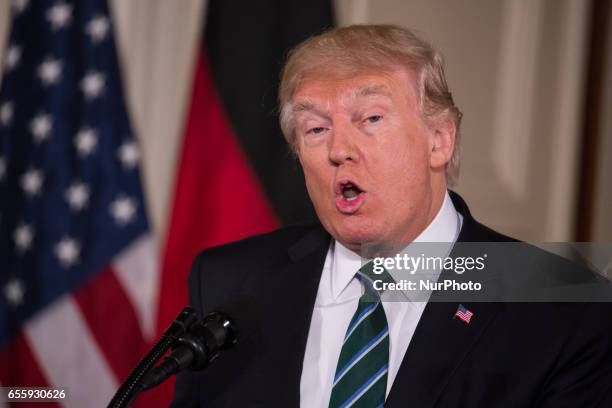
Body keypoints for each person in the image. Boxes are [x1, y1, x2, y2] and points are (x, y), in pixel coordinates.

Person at [171, 25, 612, 407]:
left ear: (438, 140)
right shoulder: (230, 283)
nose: (339, 149)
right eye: (316, 129)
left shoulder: (563, 309)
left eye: (371, 118)